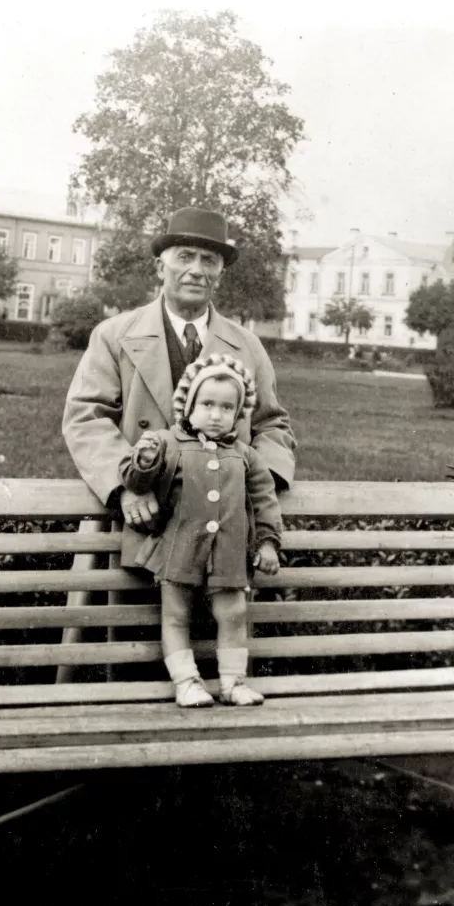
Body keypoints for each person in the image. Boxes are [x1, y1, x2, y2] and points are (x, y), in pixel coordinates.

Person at [62, 206, 296, 557]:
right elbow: (86, 418)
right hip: (143, 522)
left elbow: (273, 426)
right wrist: (126, 485)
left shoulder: (247, 346)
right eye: (185, 257)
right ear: (160, 267)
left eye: (209, 260)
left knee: (220, 613)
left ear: (220, 273)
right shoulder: (114, 336)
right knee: (127, 612)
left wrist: (251, 484)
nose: (196, 271)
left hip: (222, 532)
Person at [120, 353, 282, 707]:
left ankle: (233, 682)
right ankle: (187, 681)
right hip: (179, 548)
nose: (215, 414)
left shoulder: (246, 455)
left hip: (228, 554)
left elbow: (264, 499)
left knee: (234, 613)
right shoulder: (166, 442)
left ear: (238, 414)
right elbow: (134, 480)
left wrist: (267, 543)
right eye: (207, 403)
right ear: (188, 405)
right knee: (176, 615)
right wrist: (144, 461)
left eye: (227, 407)